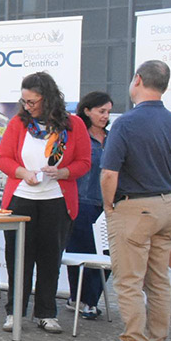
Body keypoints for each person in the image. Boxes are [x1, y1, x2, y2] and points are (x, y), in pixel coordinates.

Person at [97, 60, 171, 341]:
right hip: (165, 205)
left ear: (137, 80)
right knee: (158, 280)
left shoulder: (126, 123)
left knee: (129, 281)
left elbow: (109, 173)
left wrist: (109, 206)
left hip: (134, 207)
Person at [0, 71, 91, 334]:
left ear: (48, 99)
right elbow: (3, 158)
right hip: (21, 200)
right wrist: (22, 173)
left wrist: (63, 173)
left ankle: (46, 312)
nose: (28, 107)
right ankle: (14, 312)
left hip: (57, 200)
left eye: (33, 102)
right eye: (25, 101)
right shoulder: (18, 123)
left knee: (50, 258)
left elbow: (84, 162)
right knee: (18, 258)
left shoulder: (73, 126)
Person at [65, 91, 113, 319]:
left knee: (107, 255)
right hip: (82, 202)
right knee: (80, 254)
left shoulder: (112, 138)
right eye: (101, 111)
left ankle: (90, 299)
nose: (105, 116)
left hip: (109, 205)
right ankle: (81, 300)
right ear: (87, 110)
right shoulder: (77, 135)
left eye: (108, 112)